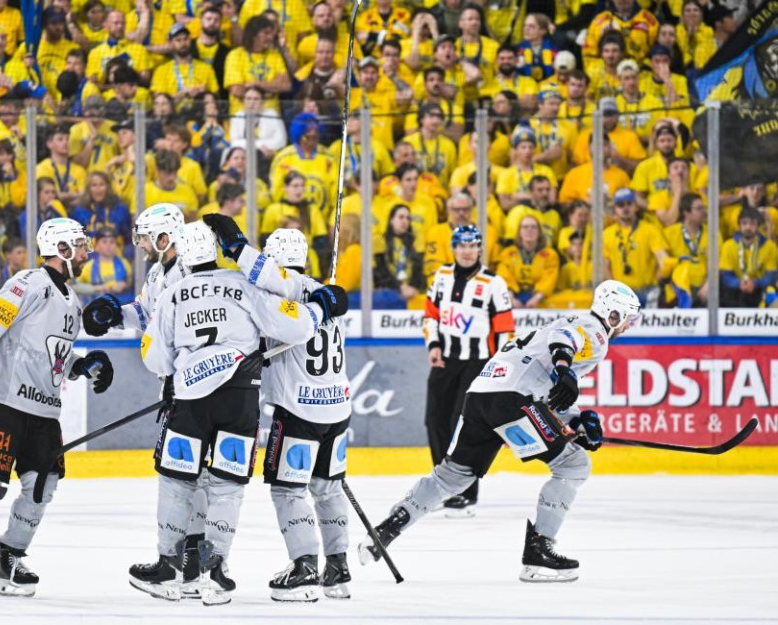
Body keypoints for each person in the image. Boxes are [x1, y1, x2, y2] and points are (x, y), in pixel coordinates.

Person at [360, 280, 642, 583]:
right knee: (573, 465)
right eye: (627, 318)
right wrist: (564, 368)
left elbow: (547, 394)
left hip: (480, 396)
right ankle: (539, 552)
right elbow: (564, 339)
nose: (628, 326)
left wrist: (577, 420)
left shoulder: (568, 332)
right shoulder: (595, 331)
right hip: (511, 399)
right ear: (612, 314)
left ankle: (389, 527)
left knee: (452, 475)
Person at [133, 220, 347, 606]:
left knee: (178, 481)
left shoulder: (172, 294)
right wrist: (320, 308)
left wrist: (184, 367)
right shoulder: (244, 285)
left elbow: (154, 358)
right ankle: (215, 572)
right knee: (227, 486)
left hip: (191, 401)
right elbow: (295, 325)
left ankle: (169, 567)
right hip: (240, 400)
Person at [0, 218, 114, 600]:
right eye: (80, 245)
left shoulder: (73, 300)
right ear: (62, 249)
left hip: (45, 413)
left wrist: (82, 365)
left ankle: (10, 559)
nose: (87, 252)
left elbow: (54, 357)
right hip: (6, 405)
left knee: (42, 487)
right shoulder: (28, 282)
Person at [210, 219, 354, 601]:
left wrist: (237, 246)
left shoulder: (283, 293)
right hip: (338, 409)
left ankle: (305, 566)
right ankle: (337, 568)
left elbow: (266, 277)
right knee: (327, 488)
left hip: (299, 411)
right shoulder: (325, 293)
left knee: (289, 492)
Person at [423, 224, 514, 516]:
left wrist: (498, 365)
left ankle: (464, 491)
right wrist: (433, 345)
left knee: (460, 425)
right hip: (445, 360)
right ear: (454, 247)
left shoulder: (493, 283)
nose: (466, 250)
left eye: (472, 245)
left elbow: (505, 329)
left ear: (479, 248)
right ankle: (442, 486)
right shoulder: (441, 276)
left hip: (479, 363)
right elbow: (430, 315)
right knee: (434, 422)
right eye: (461, 245)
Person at [720, 208, 778, 307]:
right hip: (736, 290)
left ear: (758, 226)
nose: (748, 227)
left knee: (771, 290)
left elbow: (771, 276)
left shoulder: (770, 246)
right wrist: (739, 283)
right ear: (739, 226)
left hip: (759, 289)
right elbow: (726, 276)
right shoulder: (728, 246)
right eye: (744, 223)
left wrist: (755, 283)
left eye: (752, 224)